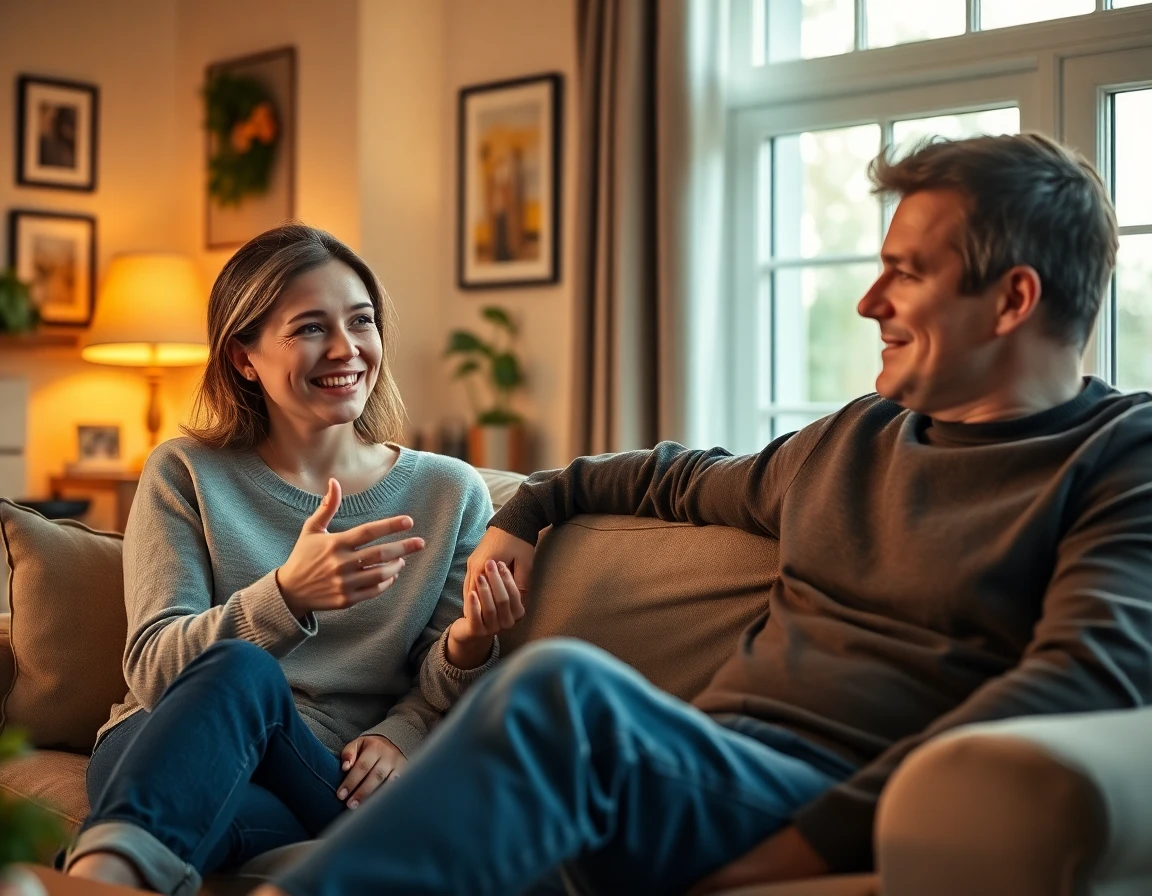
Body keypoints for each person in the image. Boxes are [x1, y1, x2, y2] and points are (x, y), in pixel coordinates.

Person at [255, 132, 1152, 896]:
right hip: (702, 770)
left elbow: (1083, 678)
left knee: (562, 689)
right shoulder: (861, 438)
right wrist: (530, 508)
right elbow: (669, 479)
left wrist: (797, 850)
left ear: (1014, 299)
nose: (868, 304)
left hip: (828, 795)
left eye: (905, 275)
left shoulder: (1120, 458)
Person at [63, 224, 524, 895]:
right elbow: (154, 667)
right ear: (243, 358)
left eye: (360, 321)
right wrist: (286, 596)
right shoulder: (185, 472)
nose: (346, 349)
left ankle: (94, 876)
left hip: (321, 771)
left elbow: (436, 685)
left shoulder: (448, 491)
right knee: (243, 674)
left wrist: (432, 695)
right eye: (310, 328)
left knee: (178, 810)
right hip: (161, 741)